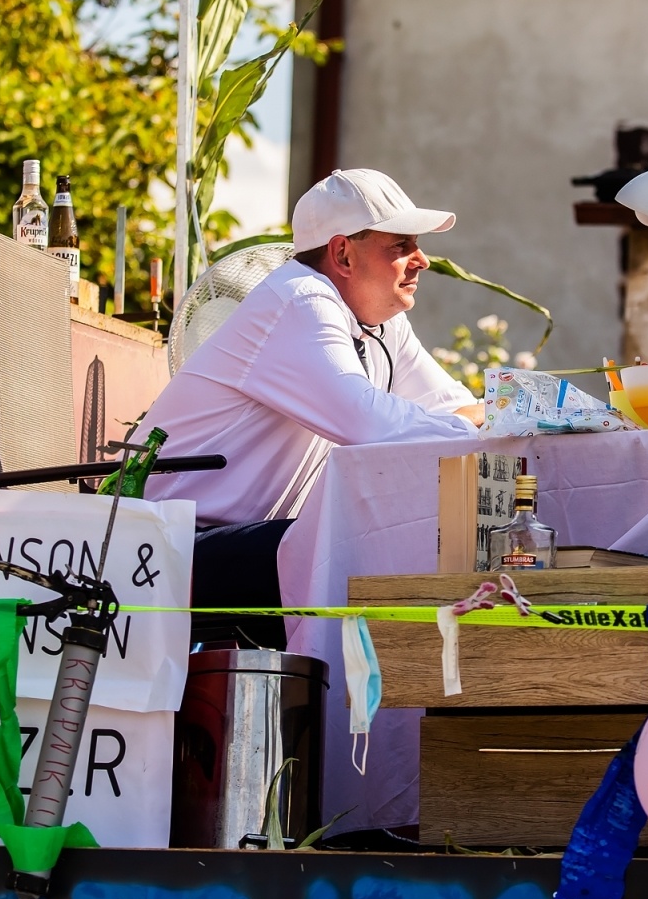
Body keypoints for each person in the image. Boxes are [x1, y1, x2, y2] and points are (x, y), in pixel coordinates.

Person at [141, 168, 483, 641]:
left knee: (375, 541)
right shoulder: (299, 298)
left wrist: (474, 419)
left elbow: (454, 408)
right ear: (342, 253)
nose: (421, 260)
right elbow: (368, 422)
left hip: (237, 539)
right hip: (165, 547)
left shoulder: (381, 323)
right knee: (353, 549)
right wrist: (470, 422)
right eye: (400, 245)